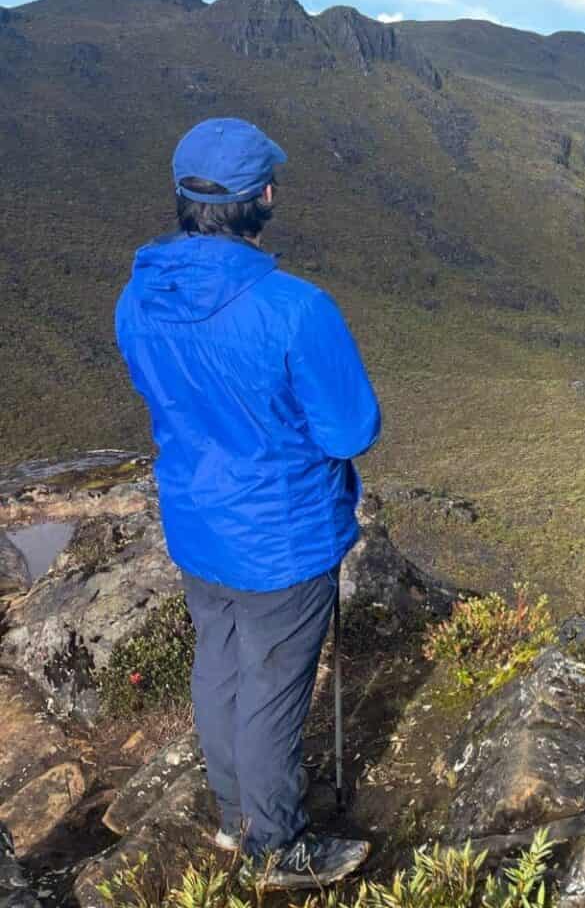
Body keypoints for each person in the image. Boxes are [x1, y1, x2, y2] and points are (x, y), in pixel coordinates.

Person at [116, 118, 380, 889]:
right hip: (281, 533)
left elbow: (160, 393)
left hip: (198, 521)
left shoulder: (138, 298)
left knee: (221, 663)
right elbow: (349, 428)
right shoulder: (296, 308)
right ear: (261, 197)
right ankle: (278, 850)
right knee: (270, 686)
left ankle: (234, 819)